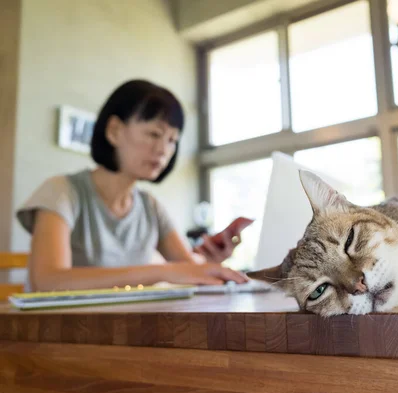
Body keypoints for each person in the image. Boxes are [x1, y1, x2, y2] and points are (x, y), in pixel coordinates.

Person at [16, 79, 251, 292]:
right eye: (154, 134)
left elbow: (187, 268)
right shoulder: (61, 190)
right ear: (114, 130)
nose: (163, 150)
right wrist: (164, 271)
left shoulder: (150, 206)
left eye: (172, 140)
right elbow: (48, 281)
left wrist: (210, 262)